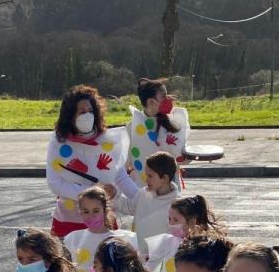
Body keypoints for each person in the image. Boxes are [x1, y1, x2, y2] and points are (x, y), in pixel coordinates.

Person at [45, 85, 130, 238]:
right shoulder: (59, 144)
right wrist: (94, 194)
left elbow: (120, 175)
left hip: (103, 221)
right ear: (70, 115)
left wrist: (140, 197)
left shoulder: (106, 141)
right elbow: (55, 183)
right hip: (68, 221)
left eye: (90, 111)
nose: (87, 115)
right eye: (82, 112)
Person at [145, 195, 225, 272]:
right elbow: (150, 266)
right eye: (169, 219)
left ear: (192, 221)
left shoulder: (204, 245)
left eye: (176, 220)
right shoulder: (166, 241)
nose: (171, 224)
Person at [63, 186, 137, 272]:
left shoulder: (120, 239)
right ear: (80, 212)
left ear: (105, 210)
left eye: (96, 211)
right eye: (86, 211)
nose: (91, 216)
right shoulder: (73, 238)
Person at [109, 151, 181, 255]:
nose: (146, 179)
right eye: (146, 175)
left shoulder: (176, 205)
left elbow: (176, 237)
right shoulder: (143, 193)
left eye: (150, 176)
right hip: (138, 254)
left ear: (164, 178)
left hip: (159, 258)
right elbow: (129, 207)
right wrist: (115, 196)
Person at [128, 78, 190, 188]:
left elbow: (182, 156)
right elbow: (125, 161)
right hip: (143, 190)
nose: (168, 100)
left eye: (167, 96)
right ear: (151, 102)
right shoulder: (132, 128)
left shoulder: (173, 122)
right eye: (163, 97)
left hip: (169, 191)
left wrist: (186, 157)